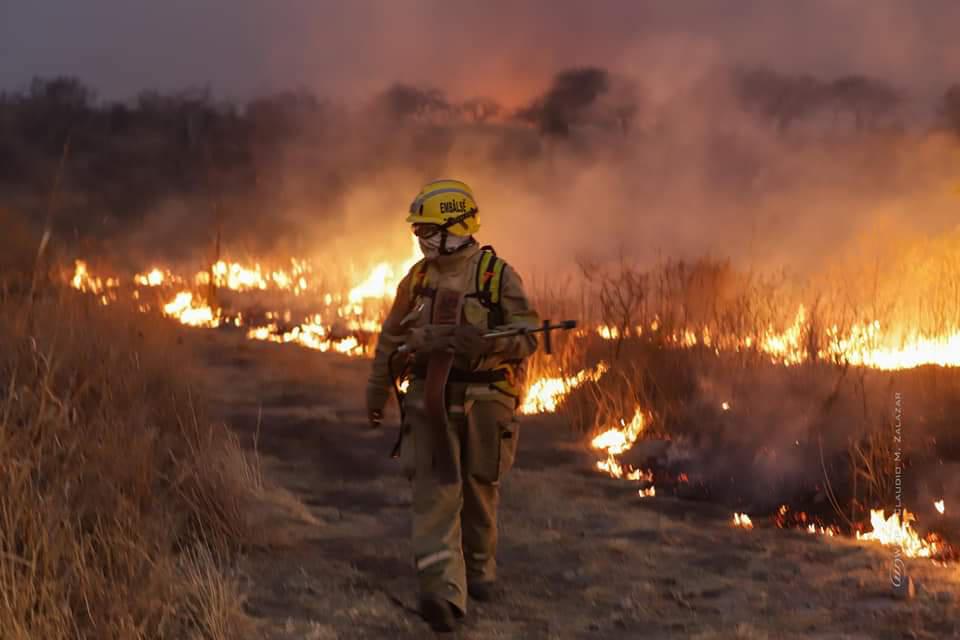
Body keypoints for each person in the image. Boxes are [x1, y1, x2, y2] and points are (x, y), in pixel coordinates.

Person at [366, 179, 540, 632]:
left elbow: (528, 337)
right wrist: (377, 390)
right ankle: (442, 592)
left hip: (486, 403)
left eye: (426, 230)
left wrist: (484, 343)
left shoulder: (496, 276)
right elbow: (390, 337)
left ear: (454, 229)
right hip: (429, 401)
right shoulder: (417, 279)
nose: (420, 239)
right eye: (417, 231)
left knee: (479, 491)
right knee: (435, 492)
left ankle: (479, 570)